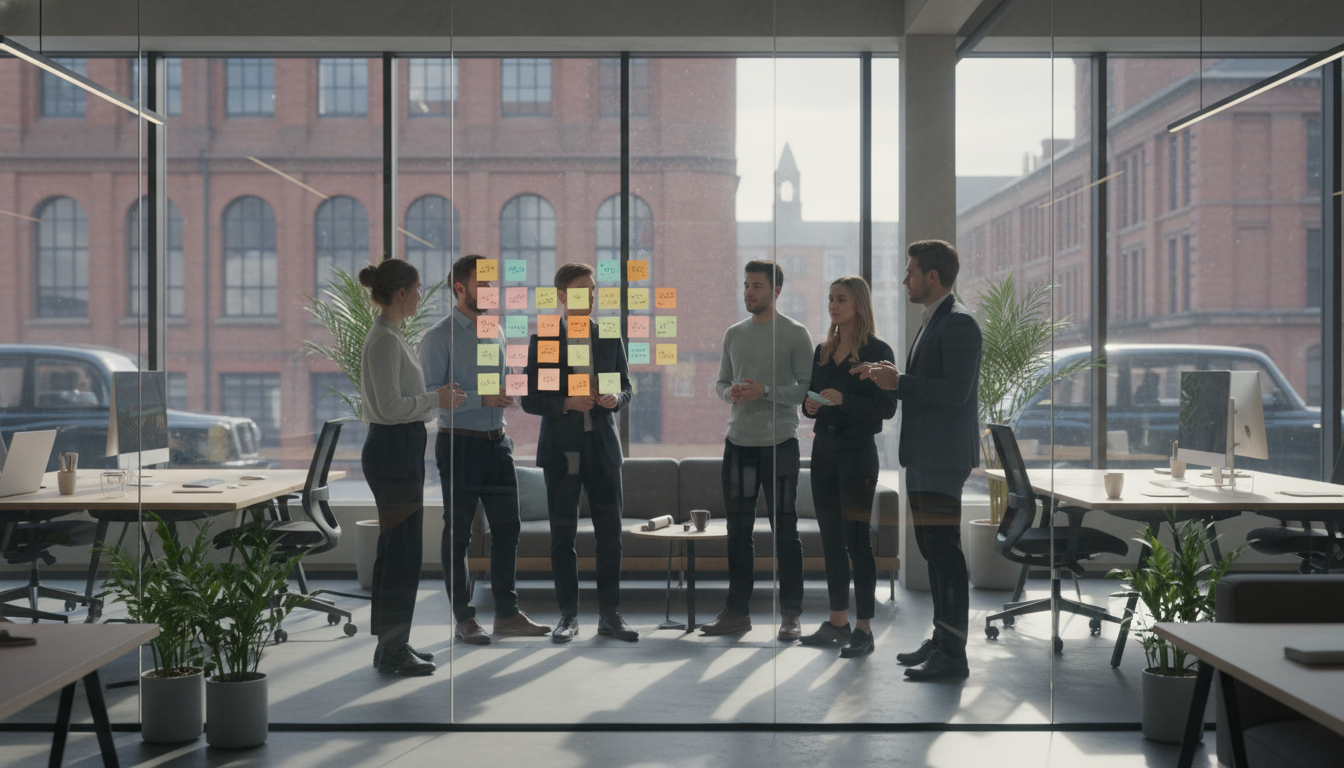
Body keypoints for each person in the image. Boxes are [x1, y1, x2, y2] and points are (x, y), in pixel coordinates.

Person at [854, 239, 982, 681]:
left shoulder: (960, 323)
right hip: (927, 456)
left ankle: (955, 654)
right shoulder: (935, 320)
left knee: (943, 552)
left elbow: (956, 392)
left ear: (932, 276)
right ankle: (943, 639)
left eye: (910, 272)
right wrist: (891, 378)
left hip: (943, 459)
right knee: (932, 548)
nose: (904, 279)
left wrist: (898, 382)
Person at [420, 254, 552, 646]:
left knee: (508, 529)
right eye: (485, 283)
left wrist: (511, 391)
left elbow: (497, 387)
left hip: (499, 445)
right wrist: (482, 398)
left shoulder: (495, 331)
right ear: (461, 288)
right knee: (458, 535)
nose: (494, 291)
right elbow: (428, 400)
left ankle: (508, 615)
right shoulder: (439, 337)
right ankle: (464, 618)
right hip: (459, 446)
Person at [359, 258, 465, 676]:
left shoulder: (393, 335)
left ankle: (393, 644)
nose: (421, 298)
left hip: (398, 450)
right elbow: (389, 408)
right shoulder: (385, 340)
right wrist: (434, 400)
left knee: (399, 551)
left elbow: (400, 403)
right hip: (391, 451)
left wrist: (430, 399)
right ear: (400, 293)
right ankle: (391, 649)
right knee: (401, 554)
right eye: (418, 289)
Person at [521, 262, 637, 643]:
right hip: (563, 451)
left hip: (602, 448)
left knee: (610, 535)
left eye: (591, 289)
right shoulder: (545, 340)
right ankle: (568, 616)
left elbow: (626, 388)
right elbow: (531, 400)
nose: (588, 296)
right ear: (560, 295)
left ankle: (610, 615)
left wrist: (614, 398)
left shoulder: (608, 336)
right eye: (579, 290)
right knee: (563, 535)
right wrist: (567, 403)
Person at [700, 260, 813, 641]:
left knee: (785, 531)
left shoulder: (796, 334)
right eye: (746, 285)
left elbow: (806, 392)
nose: (749, 293)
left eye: (757, 287)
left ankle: (792, 614)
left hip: (780, 446)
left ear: (776, 292)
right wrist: (729, 392)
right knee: (738, 532)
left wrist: (764, 391)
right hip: (739, 447)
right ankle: (737, 613)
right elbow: (719, 384)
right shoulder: (734, 334)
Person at [798, 276, 896, 658]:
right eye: (830, 299)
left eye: (840, 300)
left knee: (857, 541)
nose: (833, 306)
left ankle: (864, 629)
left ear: (858, 304)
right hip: (823, 452)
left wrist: (844, 400)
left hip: (858, 453)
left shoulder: (877, 350)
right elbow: (812, 402)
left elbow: (886, 409)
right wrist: (810, 407)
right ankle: (837, 622)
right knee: (831, 540)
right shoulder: (824, 350)